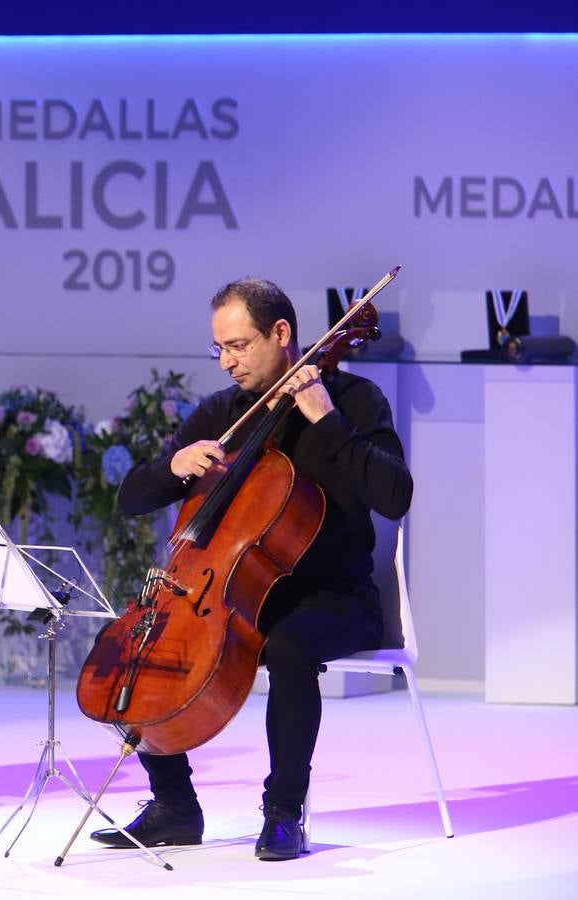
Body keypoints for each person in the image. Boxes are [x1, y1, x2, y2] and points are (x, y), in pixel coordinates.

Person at [89, 277, 412, 861]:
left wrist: (326, 420)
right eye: (220, 349)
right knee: (139, 645)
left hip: (332, 598)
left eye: (238, 346)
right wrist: (175, 466)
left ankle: (284, 812)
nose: (227, 362)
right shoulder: (222, 414)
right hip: (230, 597)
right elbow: (132, 496)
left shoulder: (354, 400)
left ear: (282, 333)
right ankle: (175, 807)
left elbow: (396, 495)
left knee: (290, 649)